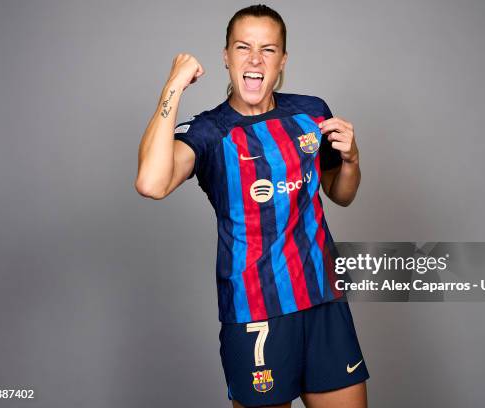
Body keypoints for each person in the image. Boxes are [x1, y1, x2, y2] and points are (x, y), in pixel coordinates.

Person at [135, 4, 367, 407]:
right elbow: (151, 183)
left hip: (324, 301)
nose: (255, 59)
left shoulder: (311, 112)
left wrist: (350, 160)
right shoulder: (210, 131)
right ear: (226, 57)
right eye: (243, 47)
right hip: (255, 312)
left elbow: (341, 193)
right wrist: (173, 84)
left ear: (282, 60)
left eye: (268, 50)